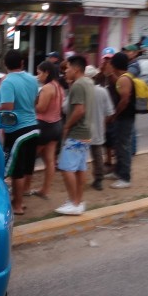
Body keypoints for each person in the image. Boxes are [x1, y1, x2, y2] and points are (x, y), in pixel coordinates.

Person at [0, 49, 39, 217]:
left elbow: (8, 106)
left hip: (17, 131)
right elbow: (35, 101)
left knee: (16, 171)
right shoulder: (32, 79)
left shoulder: (8, 82)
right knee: (27, 167)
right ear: (22, 63)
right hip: (33, 128)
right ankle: (20, 200)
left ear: (5, 64)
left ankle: (18, 204)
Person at [55, 55, 95, 216]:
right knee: (79, 169)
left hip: (76, 132)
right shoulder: (88, 82)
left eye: (68, 68)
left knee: (66, 168)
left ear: (76, 69)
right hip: (85, 132)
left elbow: (79, 110)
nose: (66, 71)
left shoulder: (78, 85)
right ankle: (78, 201)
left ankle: (74, 202)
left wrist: (67, 126)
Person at [25, 60, 64, 200]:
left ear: (46, 73)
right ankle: (45, 190)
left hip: (44, 125)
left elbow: (41, 108)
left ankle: (26, 188)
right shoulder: (58, 86)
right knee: (50, 160)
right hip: (56, 124)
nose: (37, 76)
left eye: (39, 73)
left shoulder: (47, 88)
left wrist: (30, 106)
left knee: (29, 158)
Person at [105, 52, 135, 189]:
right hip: (122, 118)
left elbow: (124, 99)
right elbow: (116, 86)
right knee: (118, 145)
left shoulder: (124, 79)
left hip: (125, 118)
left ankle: (125, 178)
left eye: (111, 63)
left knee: (123, 147)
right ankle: (117, 172)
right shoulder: (122, 78)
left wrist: (115, 114)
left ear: (115, 64)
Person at [84, 65, 114, 191]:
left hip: (82, 129)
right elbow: (110, 112)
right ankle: (98, 179)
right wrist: (104, 124)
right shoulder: (103, 91)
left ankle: (77, 179)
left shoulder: (82, 90)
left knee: (78, 154)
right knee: (97, 155)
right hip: (98, 129)